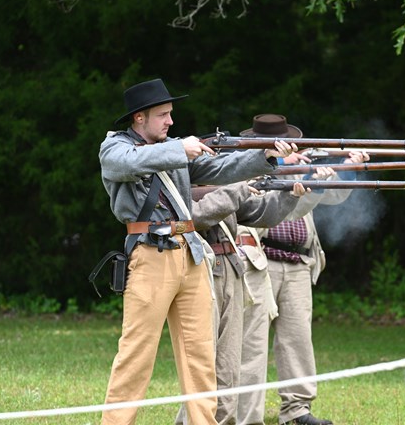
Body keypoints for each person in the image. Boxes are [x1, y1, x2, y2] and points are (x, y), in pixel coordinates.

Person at [98, 79, 295, 425]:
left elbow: (221, 170)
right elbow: (125, 165)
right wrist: (180, 150)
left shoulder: (172, 148)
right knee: (136, 355)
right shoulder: (116, 146)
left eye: (171, 114)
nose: (170, 122)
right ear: (139, 118)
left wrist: (264, 156)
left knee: (200, 356)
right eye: (162, 115)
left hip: (190, 253)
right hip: (150, 255)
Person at [237, 114, 369, 425]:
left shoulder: (302, 165)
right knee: (251, 343)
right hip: (260, 262)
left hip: (298, 261)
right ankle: (246, 415)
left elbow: (334, 195)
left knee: (297, 340)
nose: (294, 148)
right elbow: (277, 209)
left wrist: (347, 169)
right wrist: (308, 180)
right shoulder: (250, 173)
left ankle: (297, 411)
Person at [175, 179, 309, 425]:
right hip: (199, 268)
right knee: (203, 361)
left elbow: (259, 213)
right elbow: (197, 216)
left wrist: (289, 195)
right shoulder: (180, 177)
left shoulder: (225, 183)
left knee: (229, 364)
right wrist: (238, 188)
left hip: (230, 266)